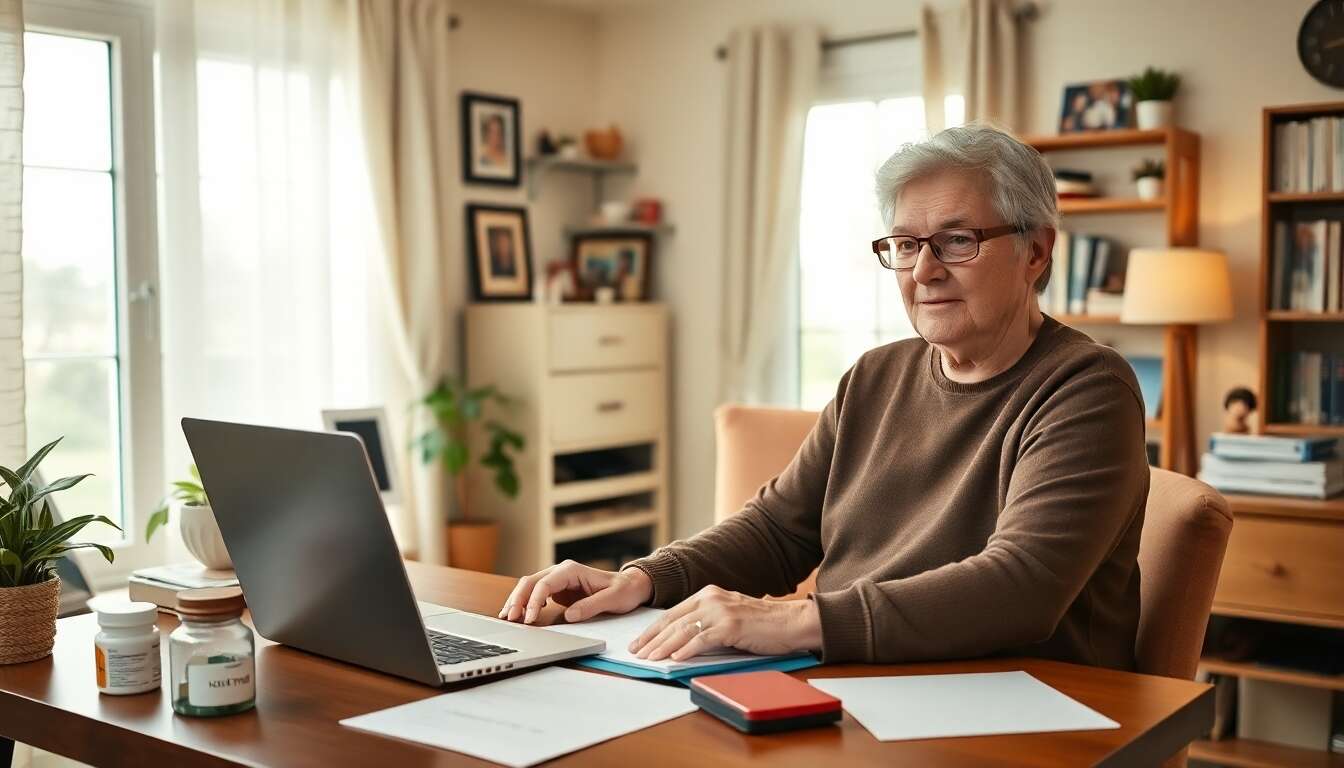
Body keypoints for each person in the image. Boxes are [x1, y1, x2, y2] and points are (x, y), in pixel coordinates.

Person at [499, 124, 1149, 671]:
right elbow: (778, 532)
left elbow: (1022, 587)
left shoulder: (1087, 389)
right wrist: (642, 579)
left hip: (1022, 713)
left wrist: (798, 621)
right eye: (905, 245)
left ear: (1036, 251)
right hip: (853, 682)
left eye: (957, 240)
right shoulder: (874, 377)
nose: (924, 270)